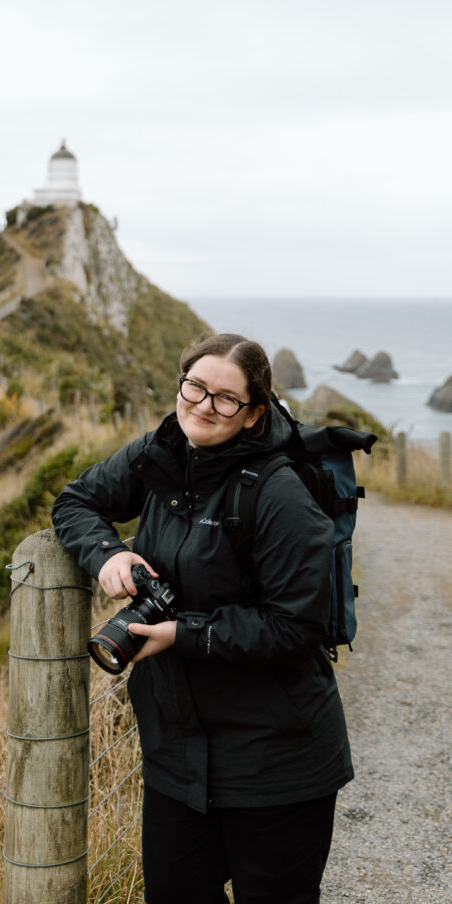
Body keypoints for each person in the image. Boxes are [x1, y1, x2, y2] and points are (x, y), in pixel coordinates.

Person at [52, 333, 353, 904]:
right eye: (195, 386)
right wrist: (108, 553)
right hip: (178, 759)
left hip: (278, 760)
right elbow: (74, 501)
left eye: (226, 398)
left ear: (253, 415)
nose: (203, 405)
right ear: (180, 383)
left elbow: (295, 626)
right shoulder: (159, 455)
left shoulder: (279, 495)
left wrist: (180, 633)